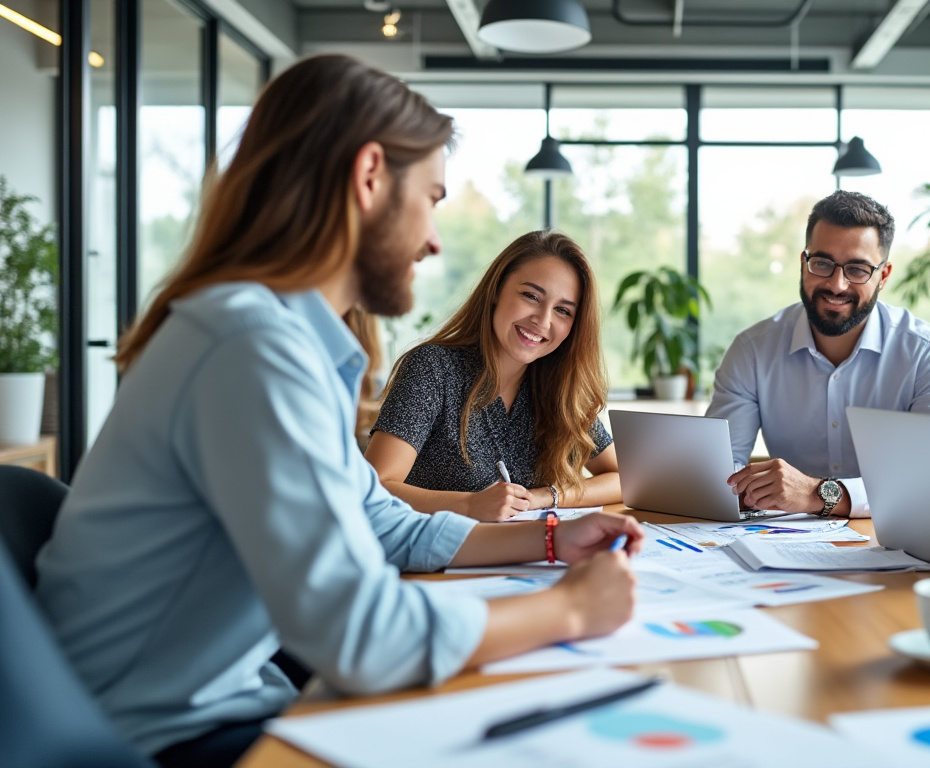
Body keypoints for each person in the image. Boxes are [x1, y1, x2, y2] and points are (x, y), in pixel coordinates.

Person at [35, 54, 641, 768]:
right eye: (434, 199)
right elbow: (362, 638)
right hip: (160, 734)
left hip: (232, 695)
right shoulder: (251, 346)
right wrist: (570, 610)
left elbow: (377, 521)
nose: (435, 239)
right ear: (370, 177)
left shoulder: (284, 338)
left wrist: (545, 540)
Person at [707, 190, 930, 518]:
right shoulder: (753, 351)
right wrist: (735, 487)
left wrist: (818, 495)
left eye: (858, 269)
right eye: (822, 263)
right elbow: (715, 470)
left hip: (891, 545)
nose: (837, 284)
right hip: (779, 545)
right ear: (804, 264)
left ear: (883, 276)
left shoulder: (926, 353)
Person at [365, 231, 620, 521]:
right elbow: (376, 487)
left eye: (563, 310)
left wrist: (544, 497)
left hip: (525, 556)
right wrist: (470, 505)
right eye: (531, 296)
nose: (543, 320)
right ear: (497, 290)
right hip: (435, 558)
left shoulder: (559, 387)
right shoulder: (433, 368)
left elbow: (622, 477)